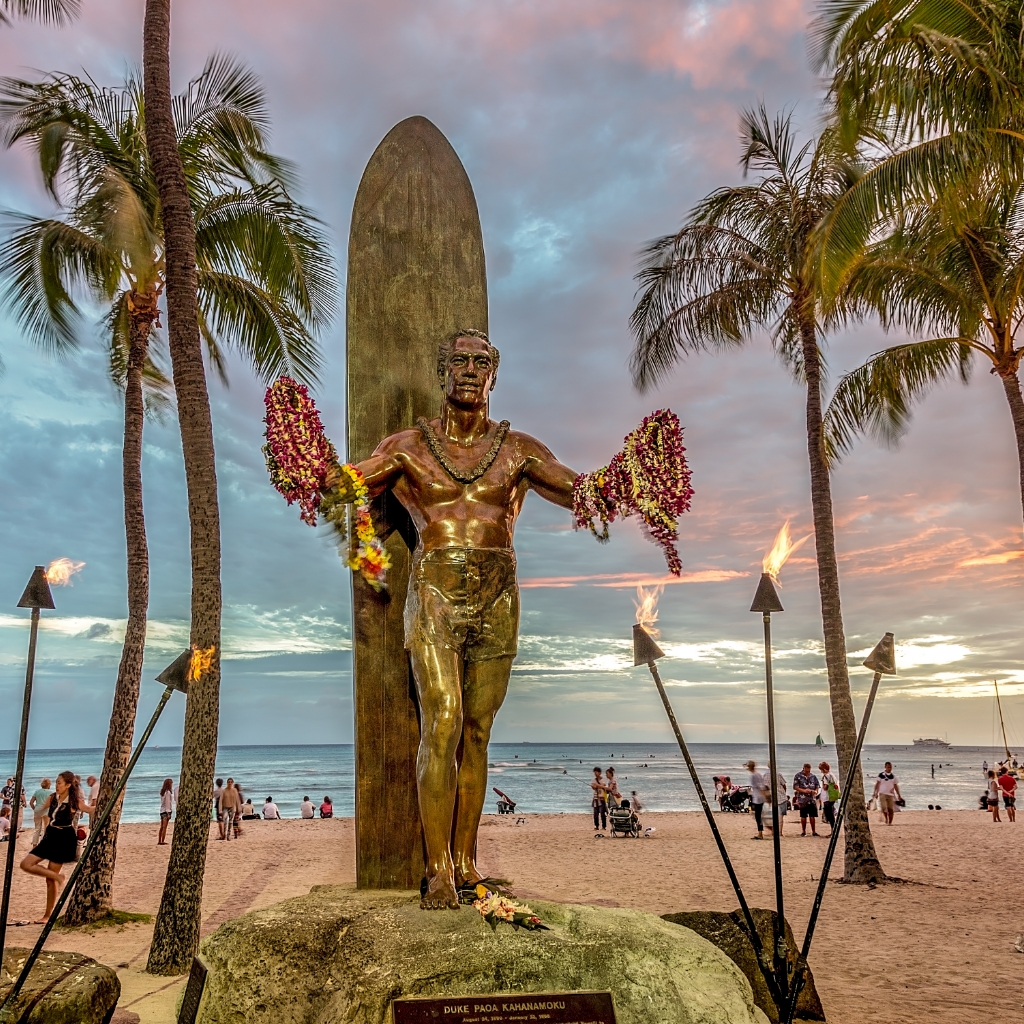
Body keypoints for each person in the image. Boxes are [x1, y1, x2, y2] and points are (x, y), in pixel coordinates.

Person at [325, 330, 596, 909]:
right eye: (459, 362)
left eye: (481, 363)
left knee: (477, 730)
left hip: (499, 594)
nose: (470, 371)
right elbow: (346, 486)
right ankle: (438, 869)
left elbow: (581, 491)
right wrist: (313, 468)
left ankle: (469, 863)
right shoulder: (406, 448)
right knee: (442, 722)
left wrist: (634, 479)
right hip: (436, 590)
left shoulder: (518, 448)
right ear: (441, 371)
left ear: (494, 375)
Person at [20, 770, 82, 923]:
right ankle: (58, 877)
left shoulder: (74, 801)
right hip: (49, 836)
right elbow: (40, 808)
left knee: (49, 880)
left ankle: (47, 916)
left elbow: (89, 809)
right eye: (55, 782)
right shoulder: (52, 797)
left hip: (64, 838)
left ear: (68, 785)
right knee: (26, 864)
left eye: (59, 783)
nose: (56, 785)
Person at [793, 763, 821, 836]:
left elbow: (817, 786)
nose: (808, 772)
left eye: (809, 770)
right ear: (804, 768)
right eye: (806, 771)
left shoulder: (813, 776)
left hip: (812, 798)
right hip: (803, 799)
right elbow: (795, 787)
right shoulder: (798, 776)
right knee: (803, 816)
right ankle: (803, 831)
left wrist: (815, 791)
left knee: (812, 815)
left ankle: (814, 831)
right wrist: (804, 791)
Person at [745, 760, 768, 839]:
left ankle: (760, 834)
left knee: (758, 816)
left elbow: (759, 786)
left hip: (757, 797)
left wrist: (764, 795)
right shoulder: (758, 774)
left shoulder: (754, 775)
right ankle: (760, 832)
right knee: (758, 815)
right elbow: (762, 785)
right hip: (759, 797)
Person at [818, 761, 840, 834]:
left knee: (830, 815)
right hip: (832, 796)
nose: (821, 772)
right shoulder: (832, 775)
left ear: (824, 769)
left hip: (827, 797)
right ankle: (833, 831)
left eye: (821, 770)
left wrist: (822, 783)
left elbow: (825, 787)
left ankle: (833, 831)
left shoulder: (826, 776)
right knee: (831, 814)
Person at [29, 778, 52, 847]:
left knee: (37, 828)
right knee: (46, 828)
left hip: (37, 810)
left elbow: (31, 802)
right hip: (46, 811)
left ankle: (34, 844)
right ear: (49, 785)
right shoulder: (50, 793)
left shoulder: (37, 791)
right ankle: (45, 843)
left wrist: (34, 809)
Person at [158, 778, 174, 845]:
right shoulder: (167, 792)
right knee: (164, 827)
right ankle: (162, 840)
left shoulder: (163, 792)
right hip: (166, 811)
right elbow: (168, 803)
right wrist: (168, 813)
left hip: (162, 810)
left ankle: (159, 840)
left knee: (162, 827)